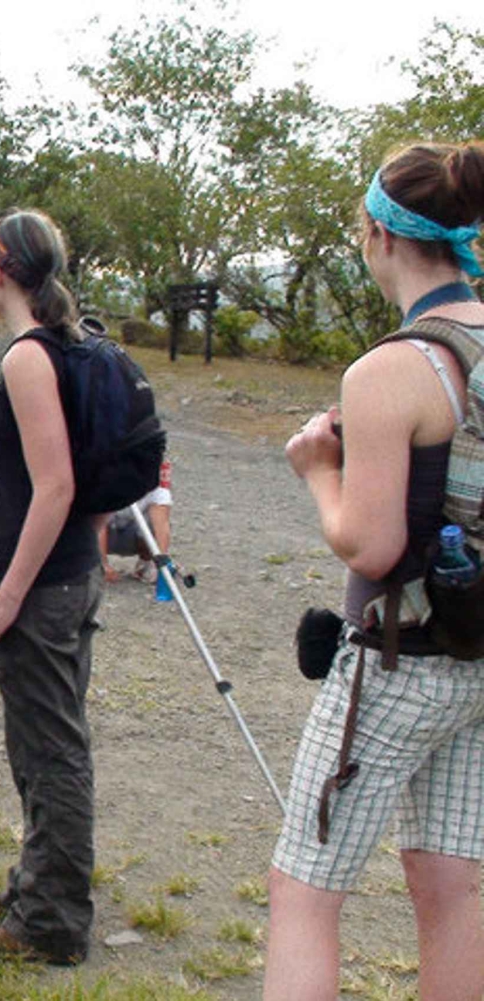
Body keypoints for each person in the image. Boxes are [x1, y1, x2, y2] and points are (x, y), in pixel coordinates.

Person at [265, 141, 484, 1001]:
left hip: (399, 663)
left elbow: (371, 545)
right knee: (451, 882)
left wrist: (318, 469)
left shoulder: (392, 369)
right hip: (480, 662)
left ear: (377, 234)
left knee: (306, 887)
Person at [0, 210, 102, 966]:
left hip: (42, 586)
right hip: (71, 575)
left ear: (0, 271)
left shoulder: (28, 356)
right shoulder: (73, 346)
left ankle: (51, 920)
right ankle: (39, 881)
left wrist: (9, 592)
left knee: (51, 751)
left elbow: (55, 487)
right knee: (47, 743)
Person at [99, 460, 172, 582]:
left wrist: (161, 565)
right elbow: (98, 525)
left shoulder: (158, 489)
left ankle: (147, 564)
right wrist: (103, 565)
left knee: (154, 524)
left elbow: (162, 527)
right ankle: (94, 564)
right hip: (107, 533)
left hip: (134, 536)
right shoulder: (109, 478)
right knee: (90, 519)